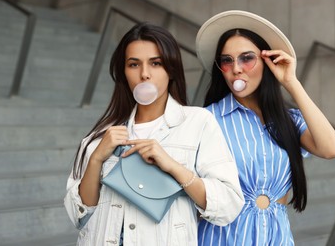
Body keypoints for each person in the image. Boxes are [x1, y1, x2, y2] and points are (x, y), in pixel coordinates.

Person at [64, 22, 244, 246]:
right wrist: (96, 160)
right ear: (124, 72)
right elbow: (78, 215)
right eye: (133, 64)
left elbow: (229, 204)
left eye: (156, 63)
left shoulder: (198, 123)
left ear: (171, 69)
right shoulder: (102, 136)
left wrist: (173, 167)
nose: (144, 74)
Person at [195, 10, 335, 245]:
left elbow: (332, 148)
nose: (236, 69)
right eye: (227, 60)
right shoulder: (206, 120)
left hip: (277, 237)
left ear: (267, 61)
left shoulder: (289, 121)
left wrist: (290, 82)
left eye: (246, 58)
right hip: (222, 238)